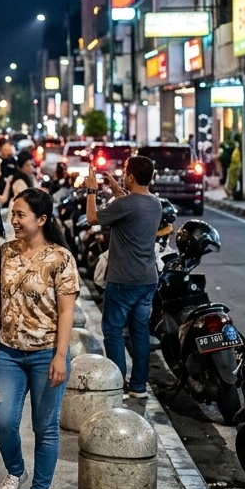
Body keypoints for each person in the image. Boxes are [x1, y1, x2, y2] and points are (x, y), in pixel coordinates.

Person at [0, 188, 78, 489]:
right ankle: (16, 471)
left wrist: (60, 355)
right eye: (12, 214)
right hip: (9, 353)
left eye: (20, 215)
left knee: (46, 428)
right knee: (3, 421)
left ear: (41, 220)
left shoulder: (60, 258)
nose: (14, 220)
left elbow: (67, 312)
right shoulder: (6, 252)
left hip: (46, 355)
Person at [85, 155, 161, 398]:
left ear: (130, 176)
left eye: (125, 173)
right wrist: (118, 191)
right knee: (140, 332)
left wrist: (90, 191)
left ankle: (117, 383)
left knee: (113, 330)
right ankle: (139, 386)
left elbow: (92, 219)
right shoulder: (155, 203)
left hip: (123, 280)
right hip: (147, 279)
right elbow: (132, 209)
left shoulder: (125, 205)